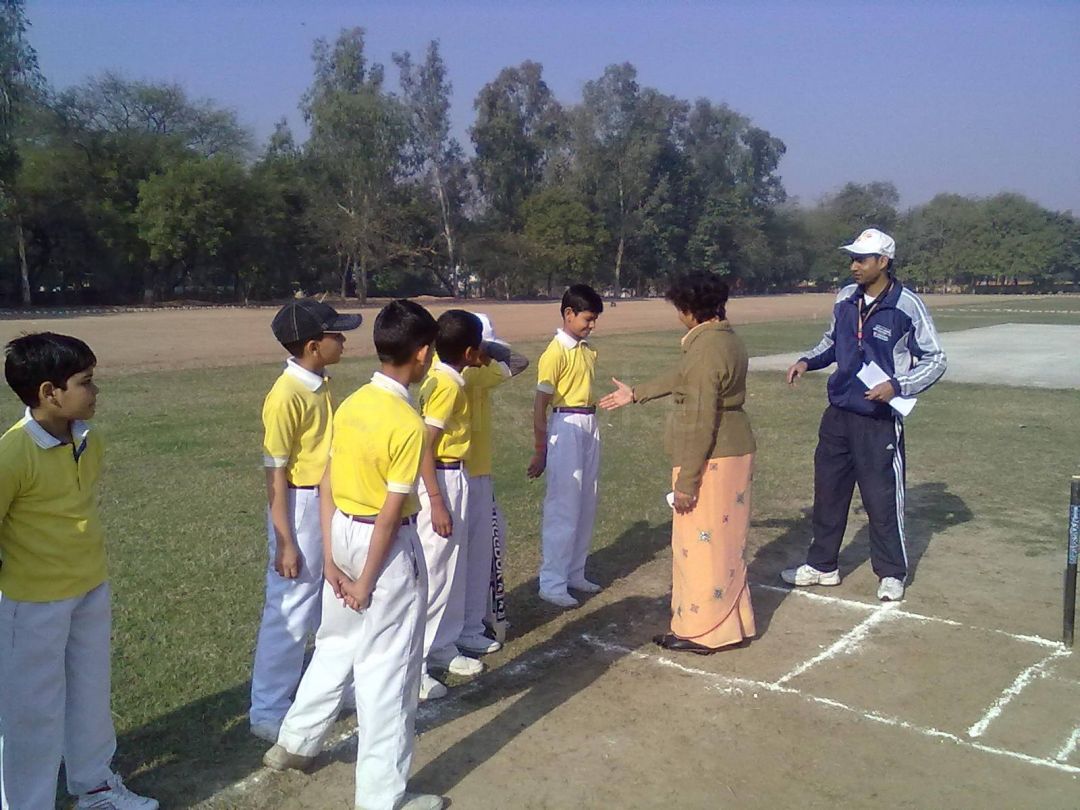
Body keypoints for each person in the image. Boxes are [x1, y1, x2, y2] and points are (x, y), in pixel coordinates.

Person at [263, 299, 444, 810]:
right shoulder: (406, 420)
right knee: (390, 667)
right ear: (424, 353)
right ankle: (382, 797)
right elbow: (390, 513)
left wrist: (334, 559)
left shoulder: (353, 402)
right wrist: (362, 579)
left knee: (336, 641)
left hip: (341, 529)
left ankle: (295, 740)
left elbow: (325, 481)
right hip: (384, 550)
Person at [0, 333, 158, 809]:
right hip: (32, 605)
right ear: (50, 393)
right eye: (85, 382)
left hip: (89, 588)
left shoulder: (90, 440)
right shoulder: (11, 454)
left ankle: (94, 786)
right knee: (33, 715)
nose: (96, 390)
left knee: (90, 697)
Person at [782, 228, 947, 602]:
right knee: (828, 493)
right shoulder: (844, 298)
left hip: (878, 419)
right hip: (839, 413)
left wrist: (898, 386)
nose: (854, 266)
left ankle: (891, 572)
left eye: (861, 259)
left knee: (881, 498)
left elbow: (936, 359)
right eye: (852, 259)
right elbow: (831, 342)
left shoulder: (907, 305)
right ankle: (822, 565)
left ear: (883, 262)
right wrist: (808, 361)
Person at [600, 273, 757, 654]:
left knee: (700, 546)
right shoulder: (724, 338)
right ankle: (733, 623)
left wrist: (687, 482)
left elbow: (700, 416)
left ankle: (703, 630)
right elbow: (684, 377)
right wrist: (637, 393)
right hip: (734, 449)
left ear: (688, 311)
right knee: (724, 543)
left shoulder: (704, 350)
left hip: (712, 457)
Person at [250, 299, 362, 742]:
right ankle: (268, 707)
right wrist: (285, 542)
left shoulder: (318, 382)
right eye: (336, 335)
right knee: (292, 607)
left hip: (327, 500)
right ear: (314, 346)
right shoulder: (285, 396)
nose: (344, 340)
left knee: (331, 599)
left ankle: (331, 686)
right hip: (299, 504)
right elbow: (275, 472)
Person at [416, 310, 485, 699]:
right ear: (472, 351)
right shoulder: (447, 385)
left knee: (452, 567)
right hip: (439, 476)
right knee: (435, 570)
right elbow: (425, 444)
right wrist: (438, 500)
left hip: (455, 473)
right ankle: (417, 662)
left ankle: (443, 643)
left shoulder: (448, 377)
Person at [527, 284, 604, 609]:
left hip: (588, 424)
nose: (592, 325)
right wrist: (541, 448)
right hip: (566, 426)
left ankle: (575, 571)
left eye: (595, 320)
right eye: (587, 319)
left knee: (586, 501)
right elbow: (540, 404)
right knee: (563, 505)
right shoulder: (555, 352)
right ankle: (552, 581)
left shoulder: (585, 349)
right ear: (568, 314)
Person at [457, 314, 529, 655]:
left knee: (481, 549)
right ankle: (467, 626)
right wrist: (488, 348)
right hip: (465, 475)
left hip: (477, 472)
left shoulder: (473, 372)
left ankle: (475, 620)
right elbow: (519, 360)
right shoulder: (475, 374)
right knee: (471, 555)